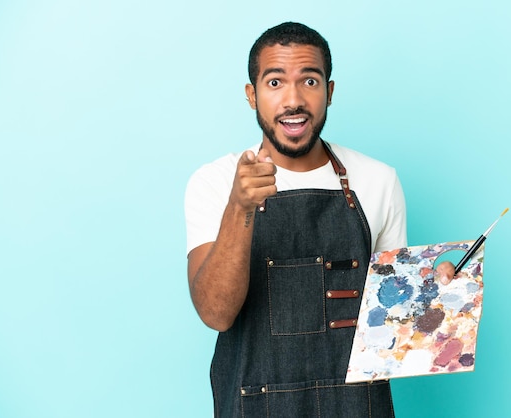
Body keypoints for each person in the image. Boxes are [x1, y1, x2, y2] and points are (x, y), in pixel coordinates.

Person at [185, 22, 453, 417]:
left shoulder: (378, 180)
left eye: (309, 81)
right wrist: (239, 208)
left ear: (328, 92)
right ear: (251, 95)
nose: (293, 100)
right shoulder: (214, 181)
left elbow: (392, 326)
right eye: (275, 83)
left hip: (356, 406)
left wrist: (436, 293)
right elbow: (216, 313)